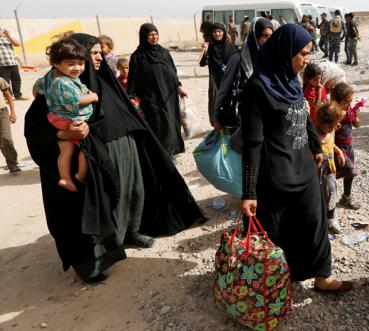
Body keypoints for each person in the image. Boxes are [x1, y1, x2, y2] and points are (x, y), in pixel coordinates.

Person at [25, 33, 205, 283]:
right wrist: (63, 132)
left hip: (126, 153)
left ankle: (131, 231)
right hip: (94, 163)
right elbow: (35, 129)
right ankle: (95, 262)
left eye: (100, 52)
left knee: (132, 194)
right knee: (100, 209)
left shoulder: (105, 82)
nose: (99, 56)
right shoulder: (58, 89)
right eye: (94, 52)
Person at [239, 24, 353, 293]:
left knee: (315, 221)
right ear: (284, 51)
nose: (306, 61)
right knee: (277, 230)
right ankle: (277, 279)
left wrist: (315, 148)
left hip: (303, 167)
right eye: (302, 54)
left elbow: (304, 120)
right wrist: (248, 191)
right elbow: (252, 142)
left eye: (309, 54)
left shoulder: (291, 82)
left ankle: (322, 276)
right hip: (275, 173)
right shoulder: (257, 88)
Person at [33, 38, 97, 192]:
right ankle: (80, 174)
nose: (77, 68)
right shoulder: (63, 82)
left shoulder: (50, 77)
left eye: (81, 63)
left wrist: (46, 98)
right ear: (56, 63)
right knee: (85, 149)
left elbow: (36, 88)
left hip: (56, 118)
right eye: (71, 64)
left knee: (66, 151)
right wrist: (94, 97)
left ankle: (65, 177)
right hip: (69, 120)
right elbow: (78, 100)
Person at [127, 23, 187, 156]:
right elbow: (133, 77)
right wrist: (130, 96)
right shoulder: (137, 56)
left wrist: (179, 87)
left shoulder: (163, 52)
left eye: (156, 34)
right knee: (158, 124)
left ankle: (172, 150)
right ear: (144, 36)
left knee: (171, 122)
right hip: (151, 97)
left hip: (169, 95)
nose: (154, 37)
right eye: (150, 34)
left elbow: (173, 70)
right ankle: (162, 154)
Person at [213, 17, 274, 131]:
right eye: (265, 36)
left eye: (271, 36)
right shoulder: (238, 59)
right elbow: (224, 89)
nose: (269, 40)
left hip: (266, 117)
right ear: (255, 36)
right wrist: (217, 117)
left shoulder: (271, 58)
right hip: (243, 118)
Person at [315, 102, 346, 234]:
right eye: (334, 125)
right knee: (317, 197)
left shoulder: (331, 131)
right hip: (316, 172)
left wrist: (338, 152)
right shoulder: (314, 135)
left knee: (331, 193)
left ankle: (331, 218)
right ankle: (318, 221)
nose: (337, 127)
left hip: (329, 171)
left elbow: (331, 144)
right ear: (325, 124)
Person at [331, 82, 361, 210]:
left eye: (351, 102)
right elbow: (328, 130)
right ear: (337, 102)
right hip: (338, 148)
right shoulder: (333, 113)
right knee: (348, 170)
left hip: (349, 147)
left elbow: (357, 125)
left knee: (349, 175)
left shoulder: (349, 111)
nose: (349, 105)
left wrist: (355, 118)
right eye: (346, 102)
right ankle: (329, 201)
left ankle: (346, 197)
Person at [200, 23, 236, 126]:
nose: (217, 34)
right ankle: (215, 123)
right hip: (215, 80)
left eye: (219, 31)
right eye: (215, 32)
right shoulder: (209, 47)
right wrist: (205, 52)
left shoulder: (231, 47)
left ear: (223, 33)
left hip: (229, 80)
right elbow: (202, 63)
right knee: (215, 101)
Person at [0, 75, 20, 174]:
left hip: (2, 113)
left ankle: (13, 164)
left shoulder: (0, 80)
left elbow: (8, 96)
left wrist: (13, 112)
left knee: (6, 138)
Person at [0, 27, 25, 100]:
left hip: (12, 63)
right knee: (5, 82)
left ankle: (18, 95)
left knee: (17, 80)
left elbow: (17, 44)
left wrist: (8, 35)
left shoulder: (7, 38)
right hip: (2, 65)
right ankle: (8, 97)